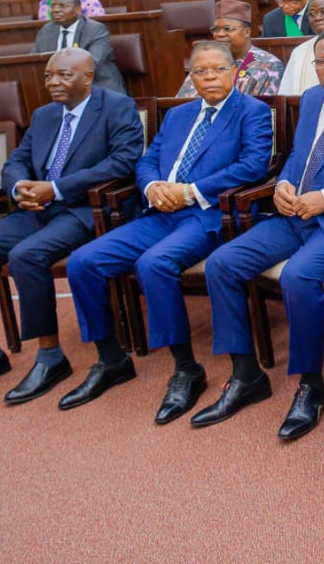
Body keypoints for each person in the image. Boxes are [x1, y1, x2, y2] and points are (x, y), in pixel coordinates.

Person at [196, 28, 324, 438]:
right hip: (295, 213)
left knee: (297, 275)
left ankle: (311, 385)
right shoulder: (311, 98)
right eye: (321, 62)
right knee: (222, 264)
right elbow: (298, 154)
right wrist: (282, 185)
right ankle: (245, 376)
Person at [59, 41, 273, 418]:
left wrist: (190, 191)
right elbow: (149, 160)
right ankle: (111, 360)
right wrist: (152, 187)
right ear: (190, 77)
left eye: (218, 69)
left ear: (234, 72)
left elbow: (253, 167)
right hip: (158, 212)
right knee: (83, 262)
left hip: (208, 215)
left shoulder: (251, 112)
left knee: (154, 264)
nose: (209, 77)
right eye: (200, 71)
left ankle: (186, 369)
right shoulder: (178, 115)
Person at [0, 50, 143, 404]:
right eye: (49, 76)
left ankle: (50, 356)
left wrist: (59, 187)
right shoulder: (45, 115)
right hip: (35, 208)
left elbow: (123, 162)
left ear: (88, 76)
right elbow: (17, 161)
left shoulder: (117, 107)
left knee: (27, 255)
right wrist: (19, 187)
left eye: (64, 76)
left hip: (84, 210)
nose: (53, 83)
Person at [176, 0, 283, 97]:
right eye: (216, 29)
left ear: (247, 32)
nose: (220, 34)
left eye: (228, 29)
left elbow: (266, 110)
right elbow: (181, 103)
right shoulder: (204, 61)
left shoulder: (269, 65)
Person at [32, 0, 127, 93]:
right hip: (59, 90)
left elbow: (91, 64)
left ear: (78, 9)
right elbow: (34, 62)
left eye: (62, 6)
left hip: (96, 87)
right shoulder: (46, 31)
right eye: (53, 6)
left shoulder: (95, 29)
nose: (55, 10)